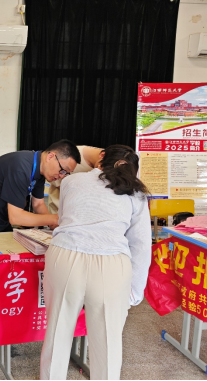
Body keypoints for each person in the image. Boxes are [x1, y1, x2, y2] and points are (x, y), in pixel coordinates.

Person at [40, 145, 151, 380]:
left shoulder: (71, 182)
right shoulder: (136, 193)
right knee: (108, 342)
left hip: (65, 256)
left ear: (101, 157)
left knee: (57, 333)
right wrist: (135, 290)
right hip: (111, 265)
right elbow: (141, 244)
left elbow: (64, 218)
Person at [0, 140, 81, 257]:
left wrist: (53, 225)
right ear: (51, 156)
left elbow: (38, 204)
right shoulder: (21, 168)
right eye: (63, 170)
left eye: (66, 173)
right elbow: (16, 217)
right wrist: (54, 219)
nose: (62, 176)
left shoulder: (40, 170)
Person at [47, 145, 104, 214]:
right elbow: (53, 178)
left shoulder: (113, 162)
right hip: (60, 212)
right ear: (102, 155)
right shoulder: (70, 157)